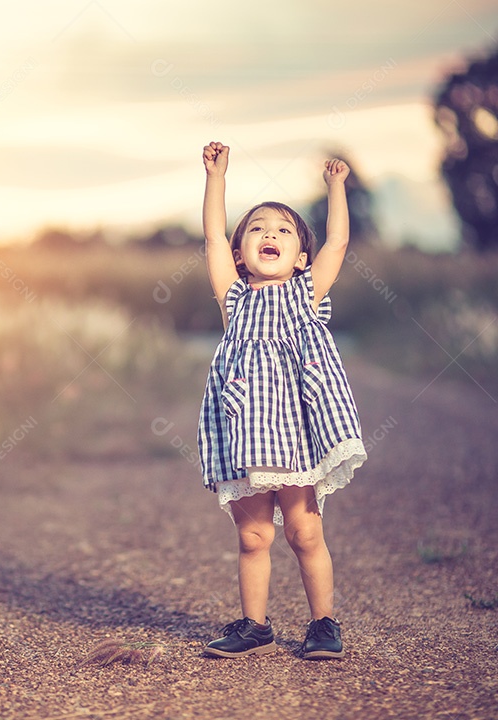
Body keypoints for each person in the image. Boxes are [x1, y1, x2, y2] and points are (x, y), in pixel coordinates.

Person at [197, 141, 367, 660]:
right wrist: (217, 177)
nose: (269, 234)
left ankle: (323, 624)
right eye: (257, 229)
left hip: (295, 438)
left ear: (299, 259)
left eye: (283, 230)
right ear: (239, 252)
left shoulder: (305, 293)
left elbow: (337, 240)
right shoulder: (235, 298)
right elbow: (209, 236)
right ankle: (254, 624)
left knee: (303, 531)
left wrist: (336, 186)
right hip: (245, 436)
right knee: (253, 537)